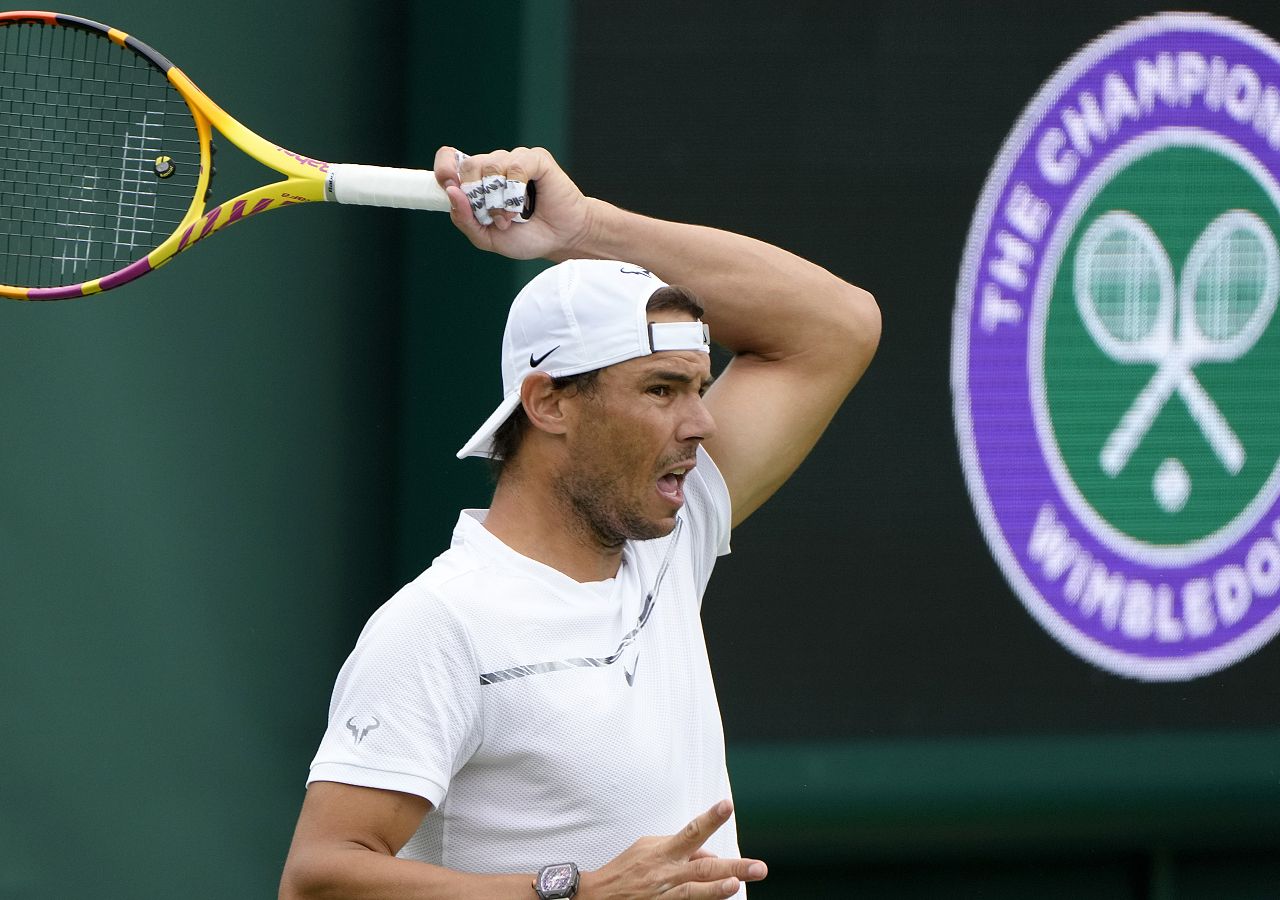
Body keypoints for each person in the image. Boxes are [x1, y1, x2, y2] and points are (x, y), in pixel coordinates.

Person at [278, 146, 880, 900]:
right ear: (549, 403)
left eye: (698, 387)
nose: (700, 422)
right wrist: (570, 892)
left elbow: (839, 325)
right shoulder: (440, 625)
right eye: (662, 390)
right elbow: (318, 880)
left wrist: (581, 226)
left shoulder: (668, 536)